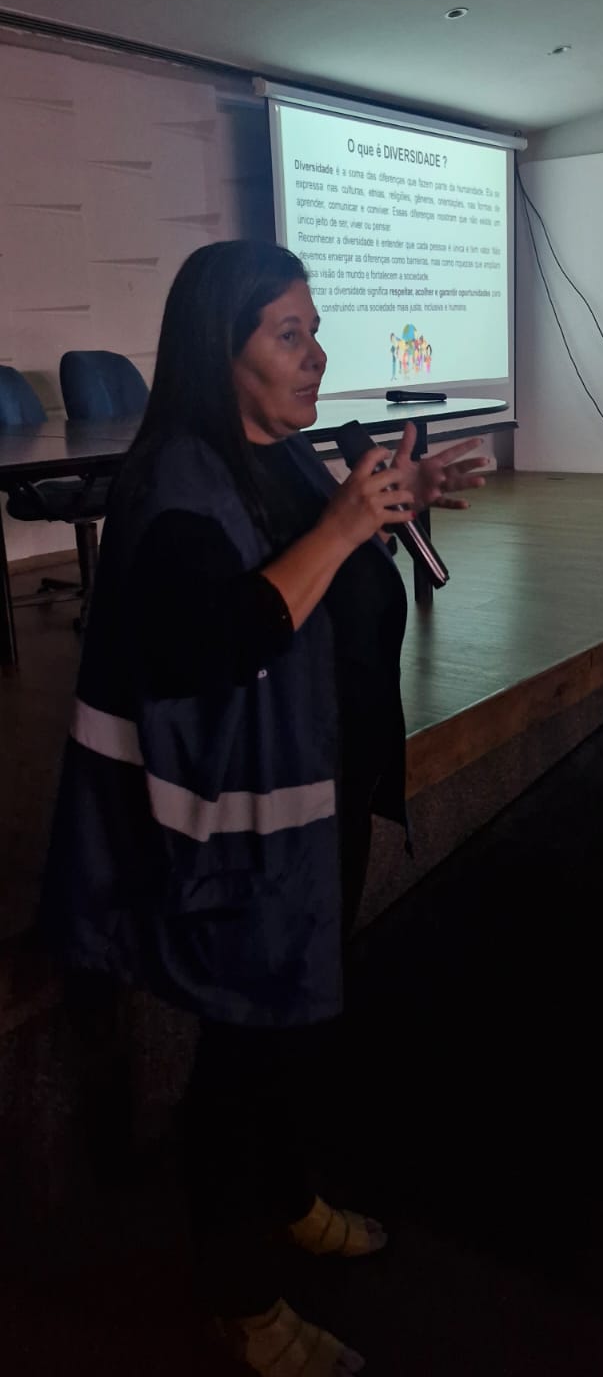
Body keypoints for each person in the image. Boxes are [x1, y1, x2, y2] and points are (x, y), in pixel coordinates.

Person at [41, 241, 488, 1376]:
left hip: (313, 802)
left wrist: (389, 505)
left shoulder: (279, 454)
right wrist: (341, 528)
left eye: (314, 328)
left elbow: (306, 562)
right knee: (245, 1055)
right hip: (236, 836)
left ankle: (286, 1195)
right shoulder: (173, 489)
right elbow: (216, 641)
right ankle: (237, 1300)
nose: (318, 353)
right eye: (289, 334)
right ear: (218, 348)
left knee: (294, 1026)